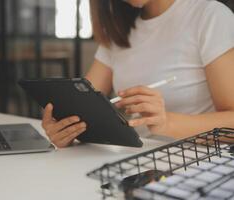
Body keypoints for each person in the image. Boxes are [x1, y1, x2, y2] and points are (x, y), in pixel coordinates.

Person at [42, 0, 234, 148]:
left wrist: (167, 123)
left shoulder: (209, 15)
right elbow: (80, 106)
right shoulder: (118, 30)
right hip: (135, 160)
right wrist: (65, 128)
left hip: (196, 163)